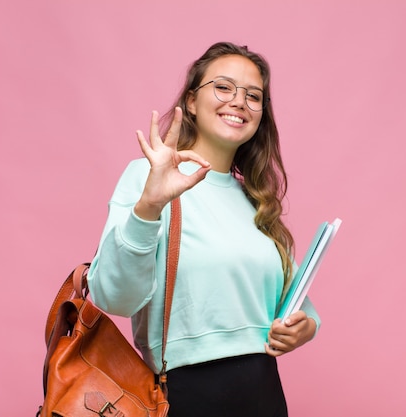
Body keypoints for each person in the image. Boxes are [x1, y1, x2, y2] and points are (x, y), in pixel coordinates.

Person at [87, 41, 320, 417]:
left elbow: (298, 306)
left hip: (264, 394)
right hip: (185, 395)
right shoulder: (148, 178)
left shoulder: (256, 202)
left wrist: (304, 328)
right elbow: (114, 298)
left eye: (254, 95)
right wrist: (149, 207)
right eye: (224, 87)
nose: (239, 101)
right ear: (191, 101)